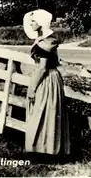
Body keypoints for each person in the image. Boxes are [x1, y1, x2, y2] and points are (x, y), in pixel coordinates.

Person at [23, 9, 70, 156]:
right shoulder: (41, 39)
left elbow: (42, 68)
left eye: (34, 21)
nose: (31, 24)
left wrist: (31, 89)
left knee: (45, 112)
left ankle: (47, 151)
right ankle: (39, 149)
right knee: (41, 113)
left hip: (47, 79)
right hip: (44, 79)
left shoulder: (48, 41)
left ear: (42, 23)